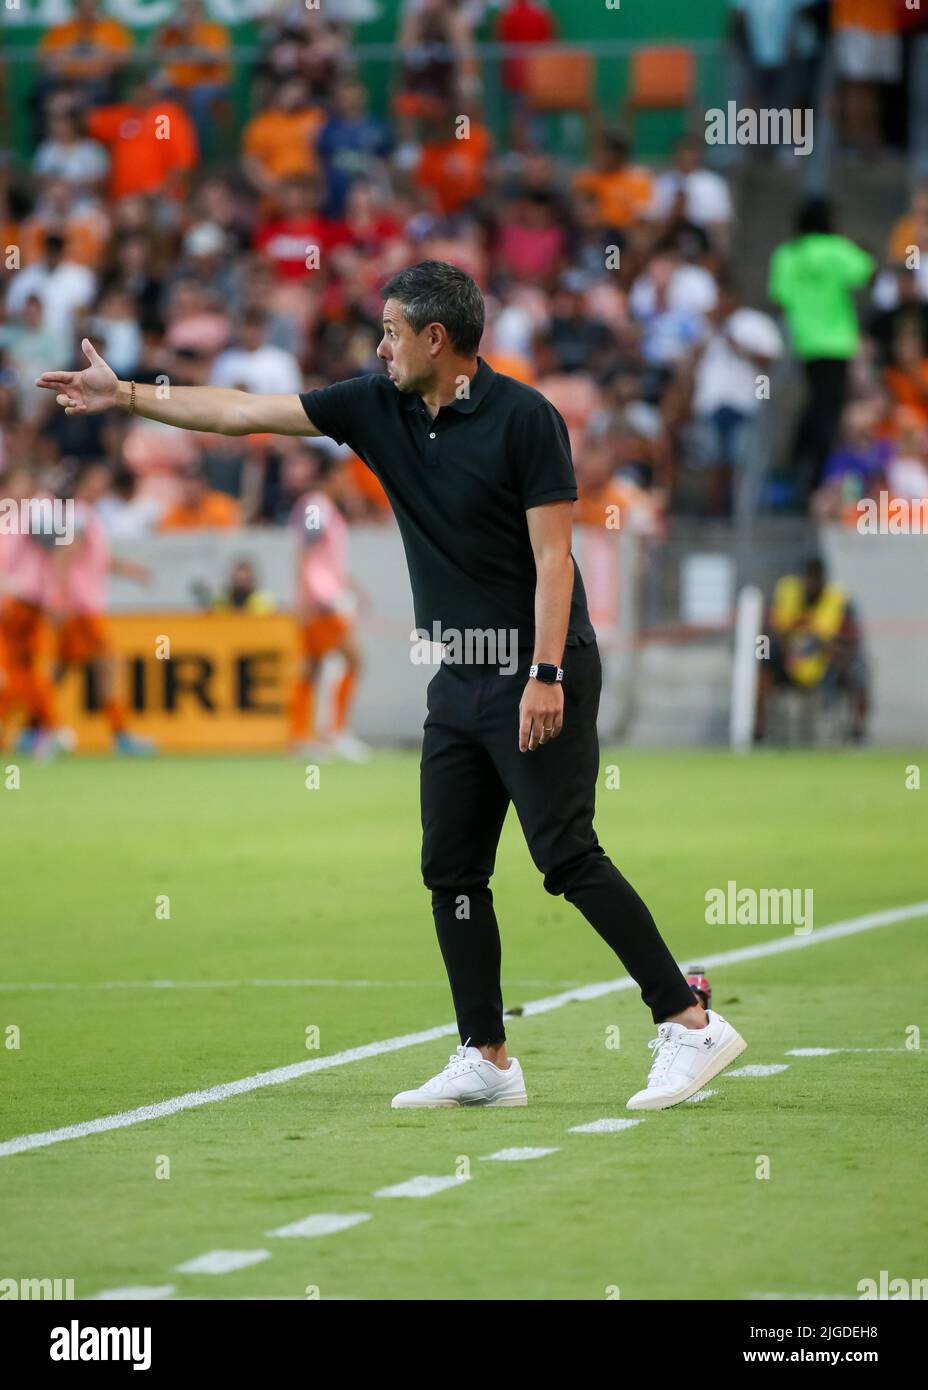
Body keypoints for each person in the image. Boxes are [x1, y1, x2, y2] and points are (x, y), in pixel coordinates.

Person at [36, 261, 748, 1112]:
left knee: (566, 857)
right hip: (455, 673)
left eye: (390, 331)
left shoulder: (527, 419)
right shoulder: (376, 405)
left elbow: (556, 561)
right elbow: (241, 413)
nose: (379, 346)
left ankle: (689, 1023)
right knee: (450, 870)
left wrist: (546, 673)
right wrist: (129, 398)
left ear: (435, 339)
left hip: (537, 666)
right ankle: (486, 1055)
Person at [769, 200, 875, 501]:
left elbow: (779, 298)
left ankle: (794, 468)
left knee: (815, 406)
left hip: (803, 342)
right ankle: (812, 479)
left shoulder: (787, 254)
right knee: (827, 412)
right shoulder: (835, 248)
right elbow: (866, 270)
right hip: (837, 341)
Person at [49, 462, 154, 755]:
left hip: (82, 606)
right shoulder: (79, 515)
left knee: (60, 668)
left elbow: (96, 560)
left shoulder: (88, 517)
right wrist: (58, 599)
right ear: (83, 483)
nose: (102, 485)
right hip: (80, 607)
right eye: (96, 479)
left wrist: (131, 570)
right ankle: (120, 735)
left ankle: (33, 726)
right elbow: (63, 558)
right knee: (104, 666)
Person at [288, 454, 369, 763]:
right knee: (354, 659)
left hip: (324, 597)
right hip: (321, 602)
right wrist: (306, 598)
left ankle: (301, 736)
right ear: (329, 477)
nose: (347, 483)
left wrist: (355, 588)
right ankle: (336, 733)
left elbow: (327, 559)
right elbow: (304, 553)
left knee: (311, 667)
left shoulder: (324, 509)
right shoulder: (316, 506)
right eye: (342, 476)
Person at [755, 556, 869, 743]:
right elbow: (765, 633)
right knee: (761, 668)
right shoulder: (786, 593)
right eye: (808, 579)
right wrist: (781, 645)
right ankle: (758, 735)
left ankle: (858, 735)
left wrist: (831, 648)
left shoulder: (839, 600)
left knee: (859, 670)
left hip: (827, 665)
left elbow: (853, 640)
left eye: (816, 580)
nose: (812, 584)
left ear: (824, 579)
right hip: (788, 661)